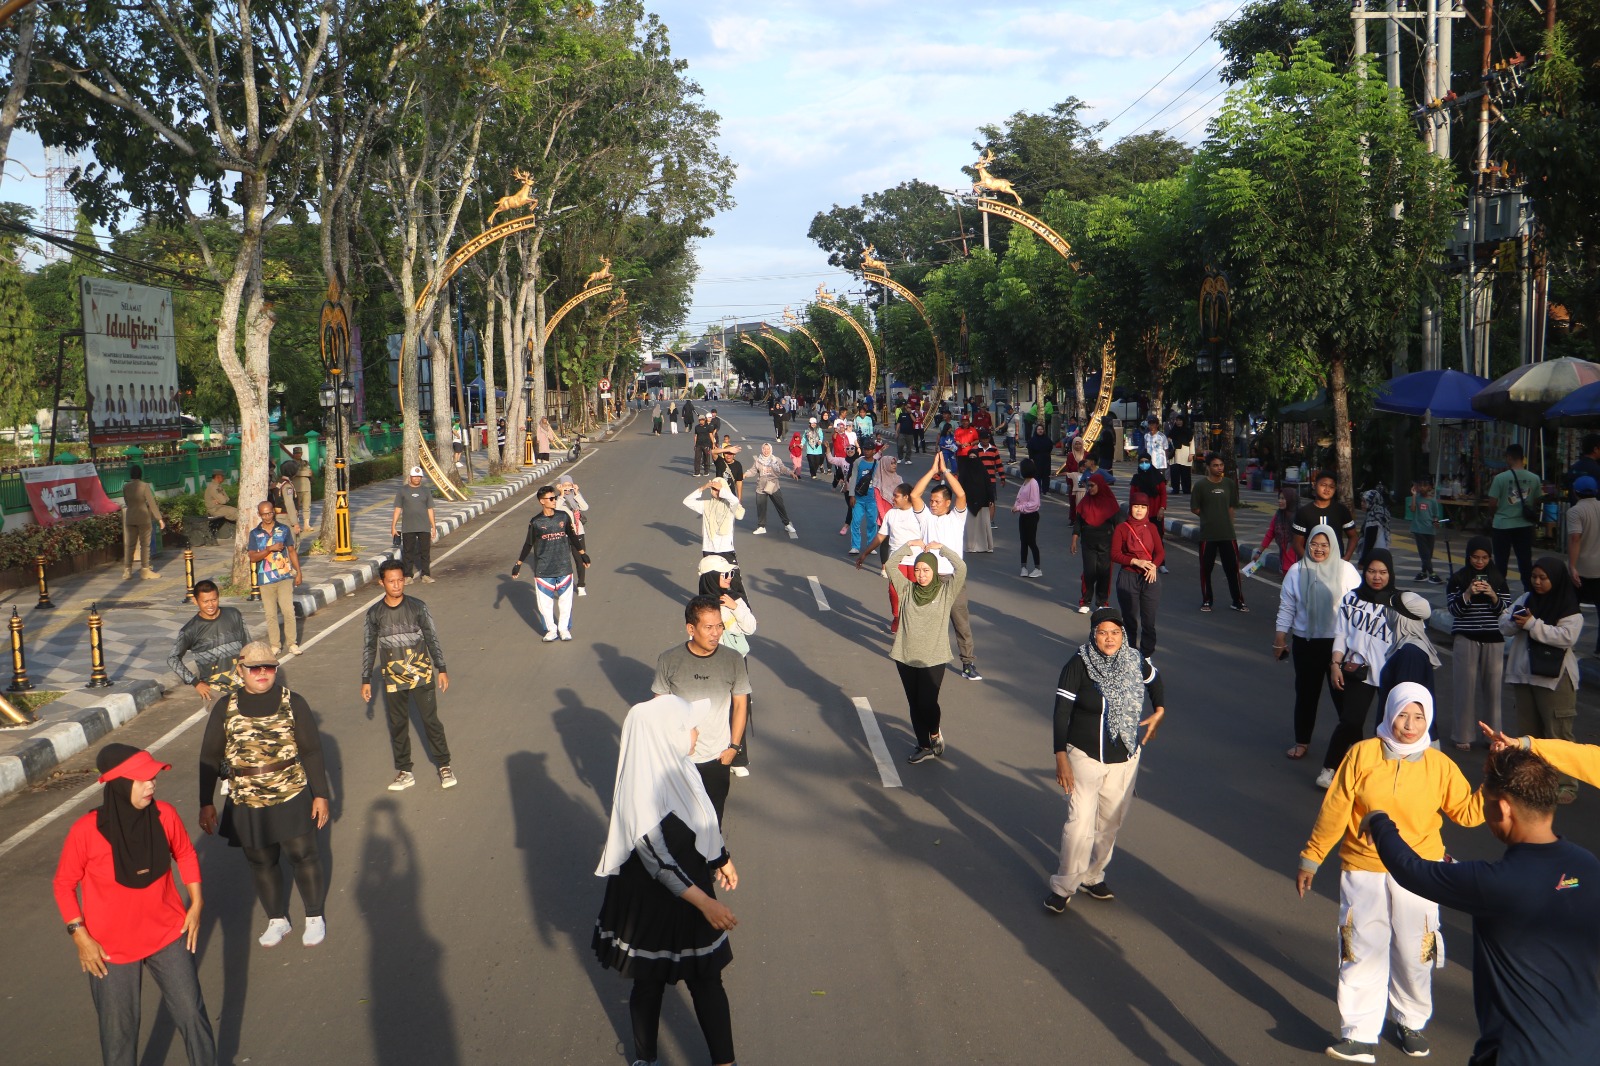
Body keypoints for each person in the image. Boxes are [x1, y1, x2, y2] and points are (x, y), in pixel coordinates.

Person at [1366, 744, 1600, 1066]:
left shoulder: (1494, 883)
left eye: (1486, 802)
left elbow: (1412, 870)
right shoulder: (1588, 866)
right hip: (1587, 1047)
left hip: (1518, 1055)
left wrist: (1380, 822)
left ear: (1503, 810)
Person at [1296, 684, 1484, 1064]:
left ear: (1428, 719)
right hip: (1363, 869)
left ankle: (1410, 1020)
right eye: (1402, 715)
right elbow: (1334, 809)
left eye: (1418, 717)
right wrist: (1311, 857)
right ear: (1389, 713)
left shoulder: (1440, 765)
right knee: (1361, 947)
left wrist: (1499, 781)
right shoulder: (1362, 755)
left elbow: (1468, 812)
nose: (1409, 725)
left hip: (1421, 873)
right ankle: (1360, 1033)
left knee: (1416, 952)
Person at [592, 694, 741, 1066]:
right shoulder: (641, 787)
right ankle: (645, 1059)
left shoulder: (681, 766)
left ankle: (726, 1062)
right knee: (650, 978)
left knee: (706, 979)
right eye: (689, 726)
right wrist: (706, 903)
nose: (696, 732)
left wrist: (721, 858)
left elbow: (705, 817)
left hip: (690, 884)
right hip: (654, 898)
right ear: (666, 735)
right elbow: (658, 861)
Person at [54, 744, 216, 1066]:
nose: (151, 785)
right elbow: (63, 884)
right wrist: (80, 936)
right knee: (119, 1035)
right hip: (109, 949)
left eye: (152, 777)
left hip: (168, 934)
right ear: (119, 783)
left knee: (192, 1015)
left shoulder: (164, 815)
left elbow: (185, 854)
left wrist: (196, 903)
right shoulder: (85, 832)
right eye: (142, 779)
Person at [198, 641, 332, 948]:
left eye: (268, 667)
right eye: (254, 668)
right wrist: (206, 802)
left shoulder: (293, 702)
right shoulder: (226, 707)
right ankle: (277, 919)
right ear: (240, 669)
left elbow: (311, 750)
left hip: (290, 793)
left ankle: (314, 916)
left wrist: (320, 794)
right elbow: (209, 756)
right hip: (246, 798)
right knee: (260, 860)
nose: (262, 673)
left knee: (303, 855)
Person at [1044, 607, 1166, 913]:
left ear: (1122, 635)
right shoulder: (1079, 664)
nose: (1109, 639)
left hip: (1125, 759)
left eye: (1114, 632)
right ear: (1092, 634)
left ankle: (1092, 875)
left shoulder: (1134, 660)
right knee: (1079, 823)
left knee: (1110, 823)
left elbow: (1155, 681)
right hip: (1083, 757)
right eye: (1102, 632)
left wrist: (1160, 710)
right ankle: (1063, 886)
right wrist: (1061, 755)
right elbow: (1061, 712)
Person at [652, 596, 751, 823]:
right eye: (708, 627)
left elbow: (740, 705)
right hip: (679, 761)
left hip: (718, 759)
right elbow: (659, 707)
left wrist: (734, 748)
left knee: (712, 826)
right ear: (691, 628)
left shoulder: (733, 660)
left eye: (719, 626)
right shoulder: (669, 660)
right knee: (679, 827)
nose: (716, 633)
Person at [360, 559, 456, 791]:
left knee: (430, 721)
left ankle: (444, 765)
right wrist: (365, 680)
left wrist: (441, 668)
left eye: (400, 580)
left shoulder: (418, 607)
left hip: (421, 674)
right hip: (393, 679)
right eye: (391, 581)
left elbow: (432, 638)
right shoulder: (374, 614)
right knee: (398, 724)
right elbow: (369, 647)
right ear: (382, 583)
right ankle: (405, 771)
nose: (396, 585)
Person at [1500, 556, 1584, 803]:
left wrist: (1532, 624)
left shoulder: (1568, 607)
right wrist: (1516, 622)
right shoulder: (1526, 599)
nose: (1536, 582)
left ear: (1555, 579)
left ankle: (1566, 785)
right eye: (1534, 577)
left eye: (1543, 578)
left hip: (1555, 680)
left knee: (1558, 733)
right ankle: (1533, 780)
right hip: (1525, 675)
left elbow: (1567, 637)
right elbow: (1504, 624)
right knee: (1529, 734)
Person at [1275, 524, 1362, 761]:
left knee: (1344, 697)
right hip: (1306, 642)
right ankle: (1302, 741)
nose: (1319, 549)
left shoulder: (1346, 571)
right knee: (1306, 694)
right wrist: (1280, 637)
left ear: (1333, 546)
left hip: (1339, 645)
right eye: (1314, 544)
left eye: (1324, 545)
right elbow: (1287, 606)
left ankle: (1357, 747)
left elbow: (1358, 610)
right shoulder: (1297, 571)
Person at [1318, 549, 1401, 789]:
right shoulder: (1351, 599)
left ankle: (1382, 776)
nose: (1377, 577)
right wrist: (1335, 664)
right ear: (1364, 572)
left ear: (1390, 573)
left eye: (1383, 572)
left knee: (1387, 729)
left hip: (1390, 675)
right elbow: (1341, 634)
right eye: (1372, 571)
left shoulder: (1400, 603)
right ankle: (1330, 768)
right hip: (1359, 671)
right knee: (1350, 721)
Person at [886, 541, 966, 763]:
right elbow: (892, 565)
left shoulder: (945, 592)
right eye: (918, 570)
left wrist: (942, 550)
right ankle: (923, 745)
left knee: (927, 703)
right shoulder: (906, 588)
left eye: (926, 570)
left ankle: (934, 733)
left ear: (935, 571)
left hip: (934, 658)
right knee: (914, 703)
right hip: (905, 656)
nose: (921, 575)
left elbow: (961, 568)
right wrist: (908, 546)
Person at [910, 452, 981, 681]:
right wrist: (933, 471)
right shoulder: (926, 518)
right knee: (929, 621)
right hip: (930, 579)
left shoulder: (956, 518)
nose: (932, 504)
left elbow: (961, 493)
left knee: (961, 622)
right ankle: (925, 659)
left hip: (953, 579)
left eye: (937, 501)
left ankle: (968, 664)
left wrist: (947, 471)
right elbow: (914, 494)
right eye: (931, 501)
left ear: (947, 503)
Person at [1445, 536, 1509, 750]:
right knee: (1464, 688)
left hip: (1494, 639)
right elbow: (1454, 610)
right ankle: (1463, 735)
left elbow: (1505, 611)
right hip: (1466, 637)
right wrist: (1468, 593)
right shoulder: (1458, 579)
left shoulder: (1498, 579)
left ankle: (1494, 737)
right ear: (1468, 556)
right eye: (1475, 557)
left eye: (1484, 558)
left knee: (1493, 691)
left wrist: (1493, 595)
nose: (1480, 562)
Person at [697, 556, 757, 776]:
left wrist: (735, 607)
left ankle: (738, 756)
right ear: (712, 578)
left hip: (737, 662)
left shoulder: (736, 599)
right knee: (713, 709)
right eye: (725, 575)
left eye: (731, 574)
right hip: (711, 663)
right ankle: (712, 752)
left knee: (740, 707)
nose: (730, 579)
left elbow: (750, 628)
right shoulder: (700, 607)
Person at [512, 485, 584, 640]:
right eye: (550, 498)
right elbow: (528, 544)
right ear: (541, 501)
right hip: (544, 570)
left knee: (565, 603)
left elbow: (572, 536)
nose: (554, 500)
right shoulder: (536, 522)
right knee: (545, 605)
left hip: (564, 566)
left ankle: (564, 629)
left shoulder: (563, 517)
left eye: (554, 498)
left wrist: (583, 554)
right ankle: (551, 630)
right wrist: (518, 564)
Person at [168, 580, 250, 705]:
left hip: (243, 685)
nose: (210, 605)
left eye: (214, 600)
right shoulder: (189, 630)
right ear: (195, 601)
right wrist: (195, 683)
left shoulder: (234, 614)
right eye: (205, 601)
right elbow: (172, 659)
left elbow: (248, 645)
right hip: (214, 691)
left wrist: (248, 668)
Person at [1110, 490, 1163, 657]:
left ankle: (1146, 656)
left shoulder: (1152, 528)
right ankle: (1131, 655)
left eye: (1143, 507)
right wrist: (1134, 561)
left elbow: (1160, 552)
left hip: (1150, 577)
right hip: (1128, 577)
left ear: (1148, 509)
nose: (1139, 511)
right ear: (1130, 508)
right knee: (1130, 621)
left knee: (1149, 622)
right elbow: (1114, 554)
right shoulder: (1122, 528)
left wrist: (1154, 565)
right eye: (1136, 507)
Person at [246, 499, 302, 656]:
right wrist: (269, 549)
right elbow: (252, 557)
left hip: (284, 576)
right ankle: (275, 644)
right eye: (264, 514)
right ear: (259, 515)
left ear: (274, 512)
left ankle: (292, 643)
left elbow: (292, 552)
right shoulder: (255, 534)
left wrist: (298, 572)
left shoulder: (283, 530)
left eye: (270, 513)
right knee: (270, 614)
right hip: (265, 579)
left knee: (288, 611)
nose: (267, 516)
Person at [1191, 453, 1246, 612]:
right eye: (1215, 465)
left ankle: (1238, 601)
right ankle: (1207, 600)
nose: (1219, 468)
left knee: (1233, 570)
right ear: (1208, 467)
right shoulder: (1201, 486)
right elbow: (1195, 508)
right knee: (1206, 569)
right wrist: (1208, 517)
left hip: (1227, 534)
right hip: (1208, 535)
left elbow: (1231, 508)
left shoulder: (1229, 484)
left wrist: (1230, 525)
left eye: (1221, 465)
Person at [1488, 443, 1542, 590]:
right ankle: (1529, 594)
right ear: (1522, 458)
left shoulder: (1500, 478)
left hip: (1502, 525)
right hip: (1524, 525)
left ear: (1509, 457)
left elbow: (1492, 502)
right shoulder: (1534, 478)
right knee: (1525, 562)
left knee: (1500, 563)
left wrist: (1494, 514)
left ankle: (1500, 594)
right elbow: (1537, 500)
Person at [684, 476, 747, 599]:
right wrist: (704, 487)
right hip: (709, 550)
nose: (716, 491)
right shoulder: (706, 505)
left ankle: (744, 610)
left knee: (735, 582)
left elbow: (734, 500)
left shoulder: (730, 505)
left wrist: (722, 489)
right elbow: (687, 501)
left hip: (726, 551)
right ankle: (711, 609)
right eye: (713, 489)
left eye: (718, 489)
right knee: (709, 583)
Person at [1072, 471, 1121, 616]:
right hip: (1088, 543)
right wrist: (1074, 539)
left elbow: (1119, 525)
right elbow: (1078, 522)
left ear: (1100, 485)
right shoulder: (1085, 501)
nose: (1089, 489)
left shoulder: (1110, 503)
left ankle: (1102, 602)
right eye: (1088, 486)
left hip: (1106, 544)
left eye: (1092, 486)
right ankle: (1085, 601)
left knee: (1104, 573)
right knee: (1089, 572)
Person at [1565, 475, 1600, 654]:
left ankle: (1566, 643)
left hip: (1582, 570)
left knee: (1570, 608)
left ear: (1575, 492)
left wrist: (1572, 566)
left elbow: (1575, 538)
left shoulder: (1575, 512)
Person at [1293, 471, 1360, 558]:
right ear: (1314, 485)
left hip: (1336, 564)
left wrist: (1345, 558)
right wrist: (1308, 561)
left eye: (1331, 487)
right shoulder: (1304, 512)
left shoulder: (1341, 510)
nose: (1327, 489)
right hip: (1310, 564)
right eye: (1323, 485)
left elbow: (1353, 537)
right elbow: (1297, 544)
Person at [392, 466, 438, 584]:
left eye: (419, 476)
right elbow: (398, 509)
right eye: (414, 476)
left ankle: (426, 575)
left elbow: (430, 509)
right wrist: (393, 526)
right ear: (410, 477)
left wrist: (433, 526)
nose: (417, 478)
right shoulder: (403, 491)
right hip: (408, 527)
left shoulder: (426, 491)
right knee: (408, 552)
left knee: (425, 552)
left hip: (424, 526)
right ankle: (408, 576)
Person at [120, 464, 165, 581]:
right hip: (143, 518)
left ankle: (127, 571)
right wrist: (159, 519)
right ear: (140, 474)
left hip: (130, 517)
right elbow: (151, 503)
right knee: (145, 545)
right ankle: (145, 570)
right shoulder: (144, 486)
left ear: (131, 475)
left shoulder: (126, 487)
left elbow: (127, 501)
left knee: (130, 545)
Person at [1129, 450, 1170, 574]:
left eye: (1146, 462)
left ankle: (1161, 564)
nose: (1144, 464)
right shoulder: (1136, 478)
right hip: (1141, 514)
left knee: (1158, 538)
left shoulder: (1158, 477)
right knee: (1142, 539)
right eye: (1141, 462)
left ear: (1150, 462)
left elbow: (1163, 494)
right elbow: (1132, 496)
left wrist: (1162, 509)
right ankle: (1145, 562)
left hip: (1156, 513)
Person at [553, 474, 593, 597]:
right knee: (563, 561)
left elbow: (585, 507)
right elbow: (556, 510)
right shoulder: (557, 499)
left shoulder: (575, 498)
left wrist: (577, 493)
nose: (567, 488)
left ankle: (581, 585)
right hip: (563, 535)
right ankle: (562, 584)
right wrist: (560, 495)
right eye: (564, 486)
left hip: (578, 533)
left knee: (580, 560)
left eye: (569, 485)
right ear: (560, 486)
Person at [750, 443, 798, 535]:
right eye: (764, 449)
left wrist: (790, 473)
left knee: (780, 505)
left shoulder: (776, 460)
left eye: (768, 449)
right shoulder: (758, 461)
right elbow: (753, 471)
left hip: (774, 486)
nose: (766, 451)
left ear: (771, 450)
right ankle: (761, 527)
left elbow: (783, 468)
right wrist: (744, 475)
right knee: (761, 507)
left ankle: (787, 524)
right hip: (761, 487)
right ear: (762, 449)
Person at [1257, 487, 1300, 575]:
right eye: (1279, 498)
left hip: (1298, 563)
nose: (1279, 501)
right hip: (1284, 562)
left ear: (1291, 500)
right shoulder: (1278, 516)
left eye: (1283, 498)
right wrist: (1259, 552)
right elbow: (1270, 534)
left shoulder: (1300, 517)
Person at [1406, 479, 1442, 583]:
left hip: (1430, 530)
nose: (1422, 488)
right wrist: (1413, 495)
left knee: (1429, 553)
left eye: (1424, 485)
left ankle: (1423, 572)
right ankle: (1432, 573)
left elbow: (1435, 516)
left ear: (1430, 487)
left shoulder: (1433, 501)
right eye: (1420, 485)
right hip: (1418, 529)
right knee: (1424, 552)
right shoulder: (1416, 498)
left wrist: (1436, 522)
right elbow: (1412, 509)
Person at [1014, 458, 1042, 579]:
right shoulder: (1025, 482)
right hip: (1023, 516)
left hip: (1031, 516)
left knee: (1031, 541)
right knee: (1023, 542)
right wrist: (1015, 507)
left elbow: (1034, 503)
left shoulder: (1033, 483)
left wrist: (1019, 508)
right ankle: (1023, 567)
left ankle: (1037, 568)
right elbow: (1020, 498)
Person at [1027, 421, 1056, 497]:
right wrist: (1031, 459)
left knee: (1046, 475)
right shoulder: (1033, 440)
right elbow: (1030, 450)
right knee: (1037, 475)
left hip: (1046, 459)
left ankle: (1045, 490)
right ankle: (1037, 490)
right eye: (1038, 429)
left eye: (1042, 429)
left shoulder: (1047, 439)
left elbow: (1050, 447)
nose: (1040, 431)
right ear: (1036, 431)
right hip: (1036, 459)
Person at [1167, 416, 1193, 495]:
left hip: (1185, 453)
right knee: (1174, 473)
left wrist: (1191, 454)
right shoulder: (1173, 431)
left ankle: (1186, 489)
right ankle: (1175, 489)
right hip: (1175, 455)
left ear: (1183, 421)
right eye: (1177, 420)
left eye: (1180, 420)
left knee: (1186, 474)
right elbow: (1168, 442)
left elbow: (1192, 443)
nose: (1178, 422)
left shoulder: (1188, 431)